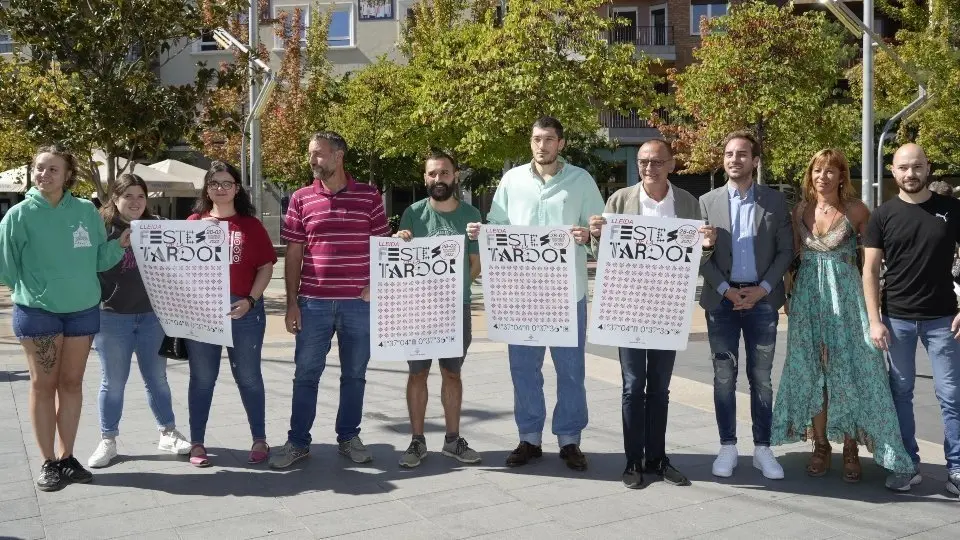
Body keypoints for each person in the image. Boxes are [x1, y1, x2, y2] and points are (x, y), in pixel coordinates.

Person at [467, 116, 605, 471]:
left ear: (561, 143)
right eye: (535, 139)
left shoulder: (581, 180)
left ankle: (570, 440)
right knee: (524, 370)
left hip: (567, 294)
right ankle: (529, 437)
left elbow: (599, 228)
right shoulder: (511, 180)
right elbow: (498, 227)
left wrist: (587, 236)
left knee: (571, 371)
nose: (540, 146)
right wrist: (481, 231)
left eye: (547, 139)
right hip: (521, 295)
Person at [770, 149, 914, 482]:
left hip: (848, 300)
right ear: (810, 175)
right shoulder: (800, 211)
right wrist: (789, 295)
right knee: (812, 371)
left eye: (830, 171)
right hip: (808, 299)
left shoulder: (857, 211)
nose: (823, 176)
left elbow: (872, 263)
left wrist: (873, 309)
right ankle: (821, 445)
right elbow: (793, 257)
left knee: (848, 371)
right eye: (817, 170)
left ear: (841, 176)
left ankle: (851, 447)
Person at [588, 139, 716, 488]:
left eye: (657, 162)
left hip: (667, 308)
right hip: (627, 306)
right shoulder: (619, 201)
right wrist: (597, 235)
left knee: (659, 388)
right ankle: (633, 461)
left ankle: (657, 458)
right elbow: (605, 251)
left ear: (671, 165)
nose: (649, 168)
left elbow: (697, 259)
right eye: (644, 162)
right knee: (632, 387)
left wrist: (707, 246)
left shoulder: (688, 204)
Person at [0, 144, 129, 491]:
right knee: (43, 386)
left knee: (71, 385)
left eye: (53, 169)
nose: (45, 174)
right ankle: (48, 462)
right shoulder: (18, 216)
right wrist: (39, 290)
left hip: (82, 311)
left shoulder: (86, 212)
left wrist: (121, 245)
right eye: (40, 168)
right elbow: (7, 270)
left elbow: (99, 259)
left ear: (68, 174)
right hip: (38, 313)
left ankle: (67, 456)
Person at [270, 132, 391, 469]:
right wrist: (292, 303)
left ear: (339, 156)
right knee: (306, 375)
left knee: (355, 375)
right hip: (313, 303)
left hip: (358, 305)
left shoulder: (369, 196)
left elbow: (383, 247)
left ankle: (348, 437)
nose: (313, 160)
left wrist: (375, 285)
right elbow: (294, 254)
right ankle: (297, 442)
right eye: (310, 154)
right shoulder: (300, 198)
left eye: (319, 154)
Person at [863, 143, 960, 495]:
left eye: (917, 166)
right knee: (900, 392)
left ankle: (958, 469)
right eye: (904, 167)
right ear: (893, 170)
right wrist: (875, 320)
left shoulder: (952, 209)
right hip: (897, 320)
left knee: (951, 394)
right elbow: (870, 271)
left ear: (928, 167)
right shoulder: (882, 215)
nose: (911, 174)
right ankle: (907, 463)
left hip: (943, 320)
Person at [699, 131, 793, 480]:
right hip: (721, 301)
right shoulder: (706, 202)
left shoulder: (775, 201)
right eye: (728, 153)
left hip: (763, 302)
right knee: (724, 376)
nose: (734, 159)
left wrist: (763, 289)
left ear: (755, 161)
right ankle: (727, 446)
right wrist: (725, 290)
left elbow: (786, 250)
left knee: (761, 377)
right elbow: (700, 254)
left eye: (741, 154)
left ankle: (763, 448)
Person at [87, 174, 191, 468]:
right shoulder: (101, 227)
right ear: (115, 198)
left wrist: (206, 229)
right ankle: (108, 440)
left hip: (151, 318)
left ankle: (167, 432)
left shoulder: (156, 226)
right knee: (113, 383)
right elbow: (91, 263)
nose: (135, 202)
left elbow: (185, 248)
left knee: (157, 379)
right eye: (128, 196)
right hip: (111, 318)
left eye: (140, 196)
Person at [394, 150, 483, 468]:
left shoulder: (470, 214)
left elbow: (476, 262)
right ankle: (417, 441)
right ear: (425, 178)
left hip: (455, 310)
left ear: (455, 176)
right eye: (432, 174)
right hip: (418, 310)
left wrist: (454, 287)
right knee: (417, 374)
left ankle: (452, 440)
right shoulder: (413, 214)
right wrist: (399, 242)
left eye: (444, 173)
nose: (438, 179)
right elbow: (402, 261)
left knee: (452, 373)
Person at [184, 161, 276, 467]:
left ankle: (259, 439)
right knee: (202, 379)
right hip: (204, 313)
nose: (220, 189)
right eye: (214, 184)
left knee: (249, 377)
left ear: (237, 189)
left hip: (246, 311)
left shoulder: (251, 225)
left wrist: (250, 299)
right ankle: (197, 443)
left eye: (226, 183)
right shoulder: (193, 223)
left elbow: (265, 266)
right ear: (206, 189)